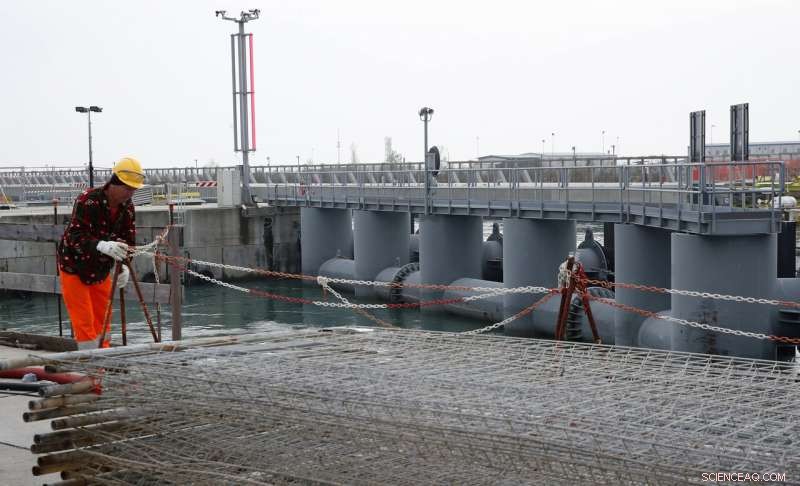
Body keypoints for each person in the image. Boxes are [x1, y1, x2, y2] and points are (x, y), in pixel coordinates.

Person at [57, 157, 145, 349]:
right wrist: (101, 246)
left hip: (101, 269)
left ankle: (102, 366)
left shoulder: (127, 208)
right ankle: (92, 373)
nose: (130, 193)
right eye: (128, 188)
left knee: (103, 322)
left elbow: (128, 241)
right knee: (84, 324)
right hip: (74, 267)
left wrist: (124, 266)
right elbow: (74, 236)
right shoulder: (88, 200)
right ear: (114, 183)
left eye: (133, 190)